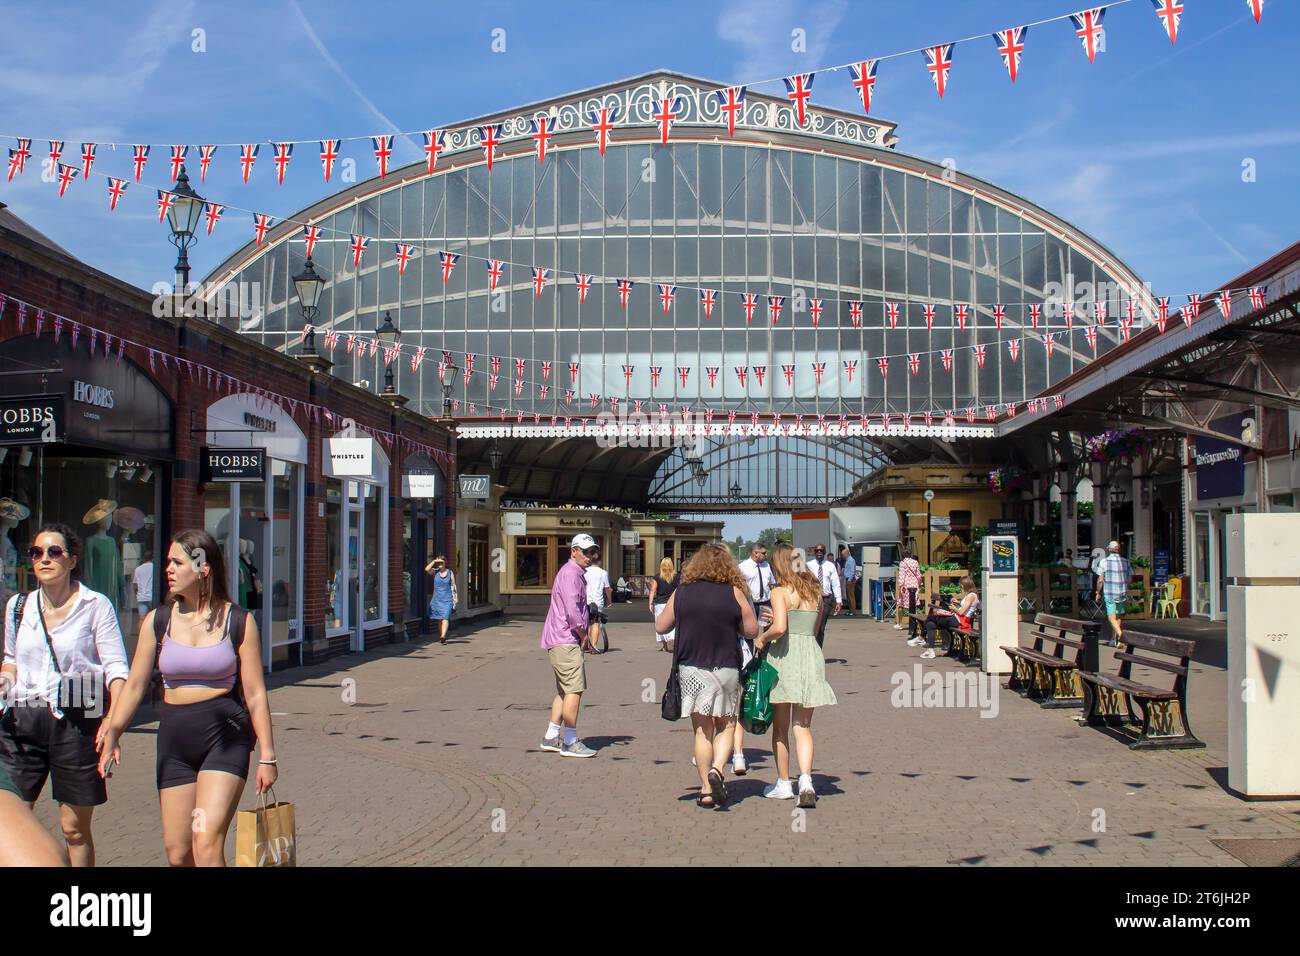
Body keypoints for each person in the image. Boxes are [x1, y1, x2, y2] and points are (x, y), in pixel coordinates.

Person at [96, 529, 277, 866]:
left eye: (177, 562)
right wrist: (114, 732)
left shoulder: (238, 621)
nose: (168, 569)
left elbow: (254, 693)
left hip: (224, 737)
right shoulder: (158, 621)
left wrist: (267, 756)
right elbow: (134, 685)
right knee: (178, 852)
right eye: (168, 562)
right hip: (174, 740)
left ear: (202, 568)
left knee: (206, 844)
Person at [0, 523, 129, 867]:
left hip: (77, 720)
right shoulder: (18, 606)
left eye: (54, 552)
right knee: (10, 818)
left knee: (73, 828)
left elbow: (117, 670)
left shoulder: (95, 605)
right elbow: (10, 660)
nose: (44, 559)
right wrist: (4, 685)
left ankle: (76, 904)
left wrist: (113, 725)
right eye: (37, 552)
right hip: (22, 720)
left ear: (72, 560)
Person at [654, 543, 759, 808]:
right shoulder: (734, 593)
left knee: (702, 730)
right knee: (727, 724)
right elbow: (751, 630)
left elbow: (661, 625)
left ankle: (704, 790)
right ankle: (718, 771)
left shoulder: (682, 592)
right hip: (725, 666)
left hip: (691, 667)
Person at [755, 542, 836, 807]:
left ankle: (783, 783)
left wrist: (762, 638)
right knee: (803, 726)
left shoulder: (780, 592)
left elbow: (779, 628)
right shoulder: (814, 592)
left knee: (780, 728)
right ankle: (806, 781)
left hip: (785, 657)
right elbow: (813, 630)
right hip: (810, 655)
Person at [538, 534, 599, 757]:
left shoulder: (571, 573)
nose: (590, 557)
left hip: (558, 637)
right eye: (586, 552)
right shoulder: (571, 574)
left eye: (593, 552)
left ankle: (551, 736)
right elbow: (573, 612)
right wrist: (584, 635)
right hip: (566, 638)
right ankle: (570, 740)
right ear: (574, 551)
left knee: (564, 690)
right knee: (574, 689)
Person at [734, 544, 775, 775]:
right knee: (736, 702)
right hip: (749, 610)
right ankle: (737, 755)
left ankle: (711, 750)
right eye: (761, 553)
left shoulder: (766, 568)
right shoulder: (743, 573)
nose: (763, 557)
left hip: (763, 602)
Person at [913, 576, 979, 660]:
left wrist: (953, 608)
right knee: (930, 624)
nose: (960, 587)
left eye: (961, 585)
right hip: (957, 619)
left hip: (960, 621)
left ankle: (921, 638)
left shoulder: (971, 595)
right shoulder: (970, 595)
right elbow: (965, 608)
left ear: (966, 584)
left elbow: (962, 612)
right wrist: (957, 603)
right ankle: (930, 650)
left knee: (932, 617)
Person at [1094, 540, 1133, 645]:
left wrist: (1098, 592)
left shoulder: (1104, 562)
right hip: (1122, 592)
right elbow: (1130, 578)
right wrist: (1126, 587)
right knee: (1118, 616)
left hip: (1110, 593)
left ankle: (1121, 636)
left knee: (1111, 617)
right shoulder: (1126, 561)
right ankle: (1115, 641)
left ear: (1110, 550)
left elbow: (1100, 580)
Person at [804, 544, 842, 649]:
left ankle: (818, 651)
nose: (819, 552)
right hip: (812, 599)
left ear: (825, 552)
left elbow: (835, 583)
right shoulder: (808, 565)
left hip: (826, 600)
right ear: (814, 552)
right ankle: (810, 650)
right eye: (817, 551)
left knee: (820, 627)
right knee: (811, 626)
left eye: (821, 551)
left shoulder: (830, 566)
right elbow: (805, 582)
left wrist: (838, 601)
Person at [425, 555, 458, 645]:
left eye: (441, 562)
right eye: (438, 563)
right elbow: (427, 569)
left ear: (445, 563)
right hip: (437, 599)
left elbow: (453, 585)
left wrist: (455, 596)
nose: (439, 564)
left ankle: (443, 635)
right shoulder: (435, 572)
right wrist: (434, 561)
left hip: (447, 599)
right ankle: (441, 635)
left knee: (445, 617)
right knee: (440, 619)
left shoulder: (450, 573)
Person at [647, 558, 679, 653]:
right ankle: (671, 639)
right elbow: (680, 589)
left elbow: (653, 590)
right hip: (673, 602)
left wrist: (650, 603)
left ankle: (665, 645)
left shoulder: (657, 577)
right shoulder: (677, 576)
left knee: (660, 622)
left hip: (660, 603)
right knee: (673, 622)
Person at [583, 554, 612, 654]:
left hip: (586, 600)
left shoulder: (585, 571)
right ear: (599, 561)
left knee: (586, 623)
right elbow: (607, 588)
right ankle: (594, 646)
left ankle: (585, 645)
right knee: (595, 623)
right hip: (597, 601)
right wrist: (609, 600)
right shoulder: (602, 573)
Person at [895, 549, 922, 639]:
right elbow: (918, 575)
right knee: (914, 605)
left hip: (906, 585)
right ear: (910, 554)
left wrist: (900, 585)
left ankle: (899, 623)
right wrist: (919, 584)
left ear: (902, 555)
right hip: (914, 585)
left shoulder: (902, 563)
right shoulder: (915, 562)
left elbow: (902, 575)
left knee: (901, 604)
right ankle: (915, 624)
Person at [132, 546, 154, 619]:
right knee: (153, 619)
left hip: (141, 597)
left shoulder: (138, 569)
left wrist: (137, 595)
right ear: (153, 557)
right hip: (152, 597)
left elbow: (135, 585)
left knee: (142, 619)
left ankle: (140, 631)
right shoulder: (155, 567)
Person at [839, 547, 859, 616]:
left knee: (851, 596)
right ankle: (850, 610)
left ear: (846, 554)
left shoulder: (851, 560)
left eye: (843, 554)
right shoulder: (848, 560)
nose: (843, 556)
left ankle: (853, 611)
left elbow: (853, 571)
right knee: (848, 596)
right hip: (847, 578)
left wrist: (849, 580)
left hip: (850, 579)